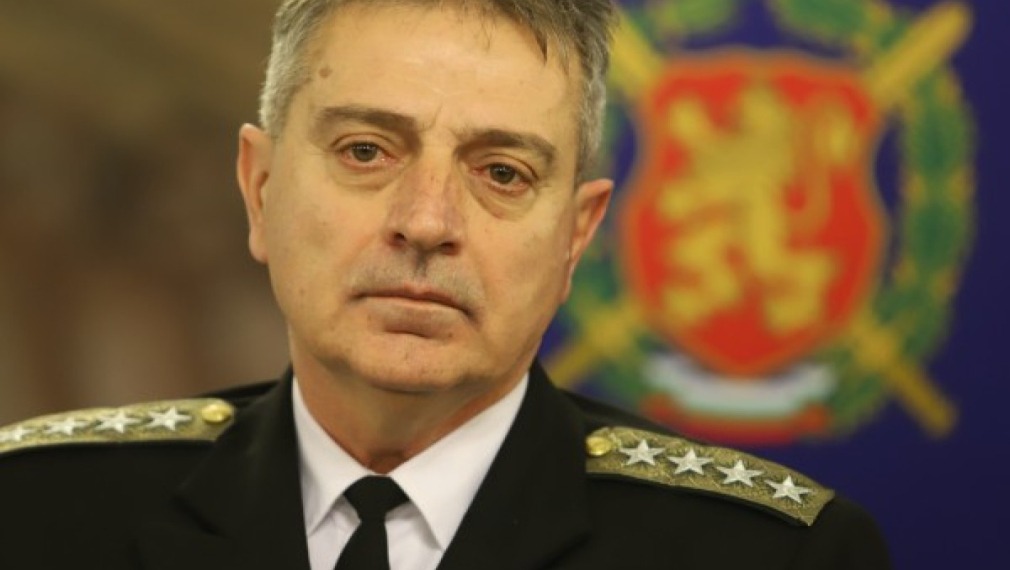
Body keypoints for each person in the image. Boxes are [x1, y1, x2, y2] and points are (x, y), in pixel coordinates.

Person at [0, 0, 891, 568]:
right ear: (260, 189)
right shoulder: (35, 510)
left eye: (502, 172)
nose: (426, 221)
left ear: (576, 236)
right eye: (365, 151)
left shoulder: (770, 557)